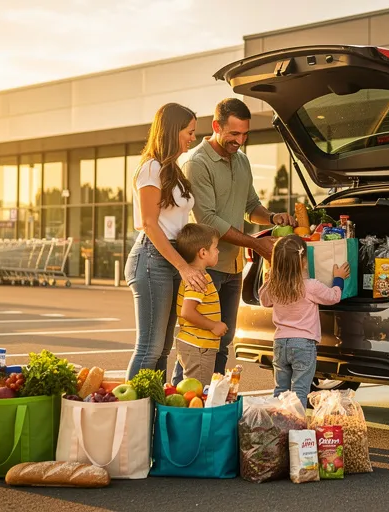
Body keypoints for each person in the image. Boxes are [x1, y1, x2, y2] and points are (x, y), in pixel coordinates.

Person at [178, 97, 297, 383]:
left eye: (245, 134)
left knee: (224, 337)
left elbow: (251, 205)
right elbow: (208, 220)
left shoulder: (242, 160)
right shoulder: (196, 162)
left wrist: (272, 218)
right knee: (200, 342)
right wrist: (257, 244)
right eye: (233, 134)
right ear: (216, 126)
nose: (239, 141)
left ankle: (213, 401)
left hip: (233, 266)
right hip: (205, 267)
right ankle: (185, 400)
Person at [125, 102, 209, 381]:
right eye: (189, 131)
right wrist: (184, 268)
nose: (193, 137)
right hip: (152, 259)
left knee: (162, 351)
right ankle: (131, 414)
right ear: (173, 131)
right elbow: (150, 224)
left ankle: (152, 413)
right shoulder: (150, 168)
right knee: (149, 348)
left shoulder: (172, 169)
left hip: (172, 259)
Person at [258, 235, 349, 408]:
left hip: (279, 344)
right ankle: (296, 430)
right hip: (303, 345)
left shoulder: (274, 286)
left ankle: (280, 428)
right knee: (299, 391)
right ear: (304, 262)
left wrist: (269, 278)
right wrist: (339, 278)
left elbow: (264, 301)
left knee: (280, 391)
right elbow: (334, 296)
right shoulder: (310, 286)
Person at [172, 223, 228, 384]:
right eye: (215, 247)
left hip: (195, 345)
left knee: (188, 389)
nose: (218, 251)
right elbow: (187, 312)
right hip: (199, 346)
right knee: (198, 391)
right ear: (203, 252)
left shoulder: (196, 276)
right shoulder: (199, 279)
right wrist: (213, 325)